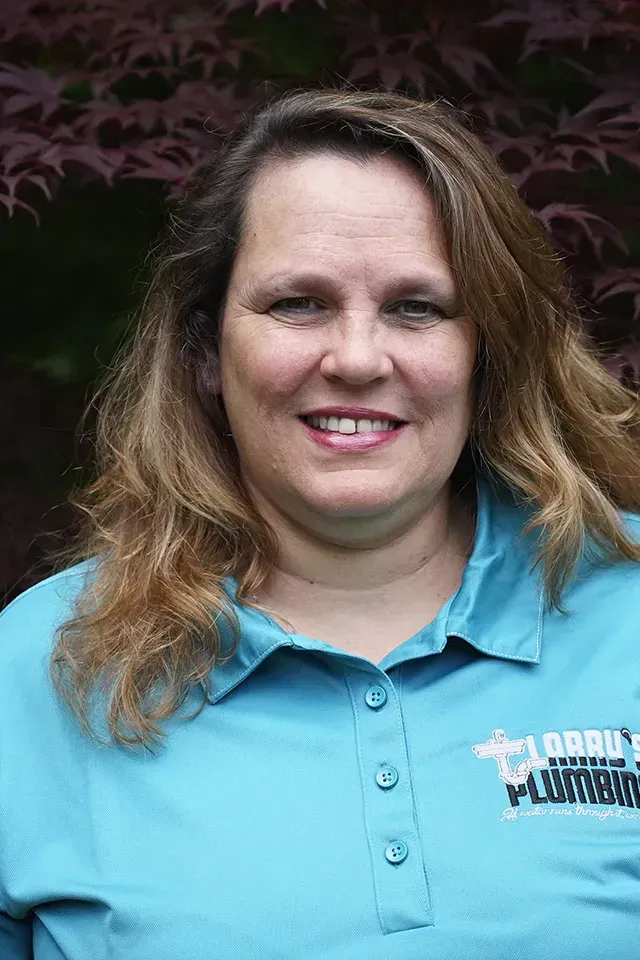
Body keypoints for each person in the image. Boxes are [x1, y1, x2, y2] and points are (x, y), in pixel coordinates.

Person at [1, 86, 640, 960]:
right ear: (204, 351)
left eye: (418, 307)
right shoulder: (42, 668)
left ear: (488, 350)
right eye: (298, 303)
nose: (356, 359)